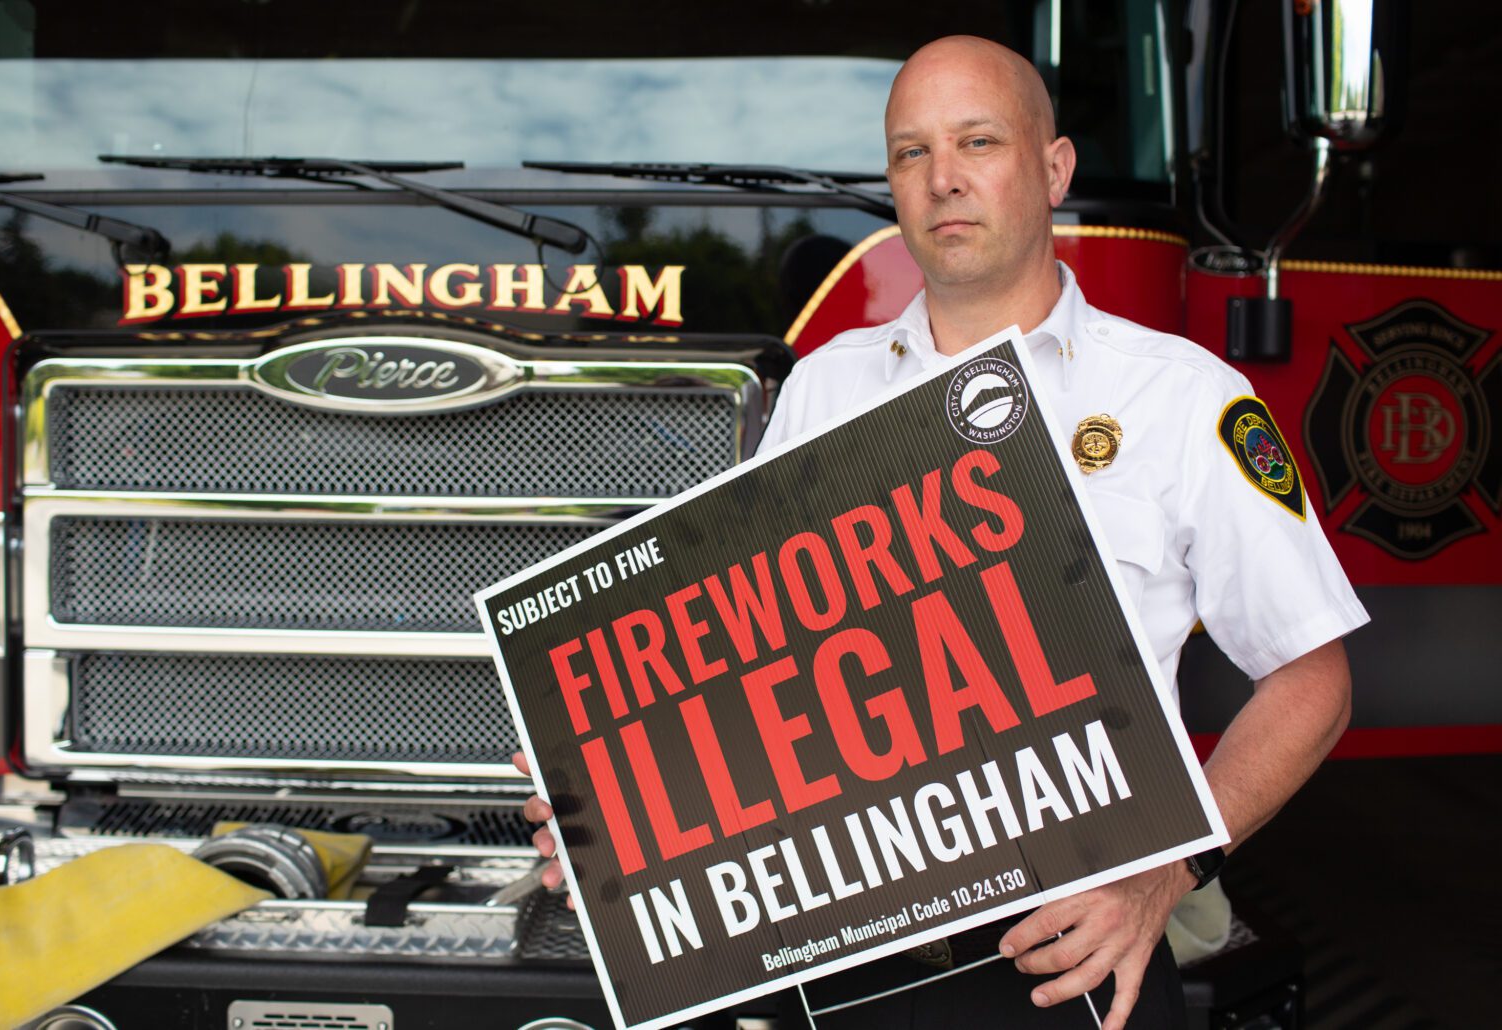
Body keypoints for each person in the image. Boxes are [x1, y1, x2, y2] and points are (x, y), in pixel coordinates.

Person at [517, 35, 1368, 1029]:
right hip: (842, 956)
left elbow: (1314, 681)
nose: (944, 180)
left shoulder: (1177, 398)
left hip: (1074, 950)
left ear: (1053, 170)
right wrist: (618, 807)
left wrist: (1166, 871)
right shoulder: (825, 388)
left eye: (978, 141)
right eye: (911, 153)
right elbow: (756, 670)